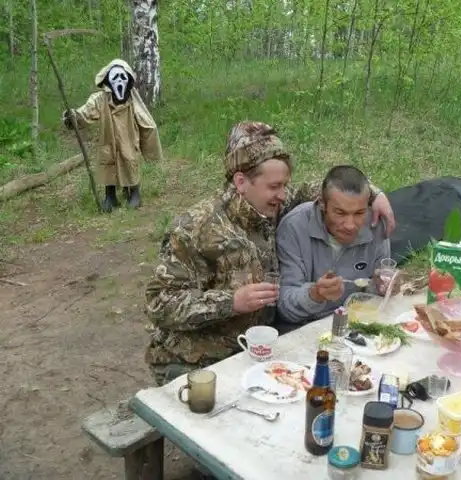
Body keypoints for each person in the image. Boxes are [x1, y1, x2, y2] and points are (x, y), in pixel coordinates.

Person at [143, 122, 396, 385]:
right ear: (241, 182)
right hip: (197, 362)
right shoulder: (195, 229)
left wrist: (375, 194)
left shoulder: (270, 205)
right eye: (275, 186)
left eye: (285, 185)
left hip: (259, 350)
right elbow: (158, 303)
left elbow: (326, 190)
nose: (283, 195)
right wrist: (231, 302)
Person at [275, 165, 403, 329]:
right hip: (306, 325)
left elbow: (378, 290)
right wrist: (315, 294)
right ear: (322, 204)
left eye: (359, 213)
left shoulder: (376, 224)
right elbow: (285, 307)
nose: (350, 225)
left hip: (357, 320)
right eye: (340, 213)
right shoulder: (294, 227)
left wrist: (384, 287)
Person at [62, 58, 163, 211]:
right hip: (109, 138)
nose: (119, 81)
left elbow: (145, 120)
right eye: (115, 77)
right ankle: (110, 196)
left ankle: (134, 192)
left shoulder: (132, 98)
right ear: (108, 80)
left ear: (128, 79)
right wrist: (73, 116)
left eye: (123, 77)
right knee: (108, 162)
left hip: (128, 137)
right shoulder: (100, 99)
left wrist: (150, 145)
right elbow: (86, 112)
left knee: (129, 159)